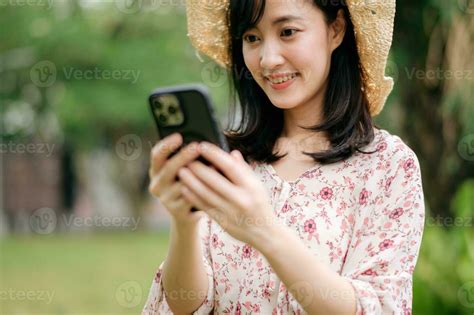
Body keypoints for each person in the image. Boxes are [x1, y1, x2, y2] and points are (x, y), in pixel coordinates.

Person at [143, 0, 425, 314]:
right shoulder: (230, 161)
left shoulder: (387, 167)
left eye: (288, 31)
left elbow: (378, 307)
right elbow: (187, 305)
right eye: (252, 38)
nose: (268, 59)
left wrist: (263, 229)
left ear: (336, 29)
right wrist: (184, 222)